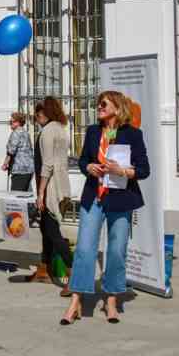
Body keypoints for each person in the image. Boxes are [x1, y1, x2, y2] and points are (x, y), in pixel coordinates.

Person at [61, 91, 150, 325]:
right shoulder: (92, 131)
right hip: (94, 197)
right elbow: (82, 161)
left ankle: (111, 299)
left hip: (121, 199)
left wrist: (122, 171)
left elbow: (144, 169)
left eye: (103, 104)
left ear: (117, 109)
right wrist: (88, 166)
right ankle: (76, 300)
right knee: (85, 249)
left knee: (116, 250)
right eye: (98, 104)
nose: (98, 108)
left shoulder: (133, 134)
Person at [23, 98, 73, 293]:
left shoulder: (47, 132)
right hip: (62, 185)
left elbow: (48, 164)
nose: (36, 118)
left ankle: (74, 275)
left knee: (53, 232)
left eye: (38, 114)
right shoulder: (61, 129)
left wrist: (41, 192)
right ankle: (44, 269)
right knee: (45, 228)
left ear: (45, 113)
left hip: (51, 188)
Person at [1, 112, 34, 192]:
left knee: (16, 197)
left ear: (18, 122)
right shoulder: (26, 133)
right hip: (29, 169)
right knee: (25, 196)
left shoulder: (16, 133)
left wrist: (5, 164)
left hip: (19, 170)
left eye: (11, 122)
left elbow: (11, 151)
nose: (10, 124)